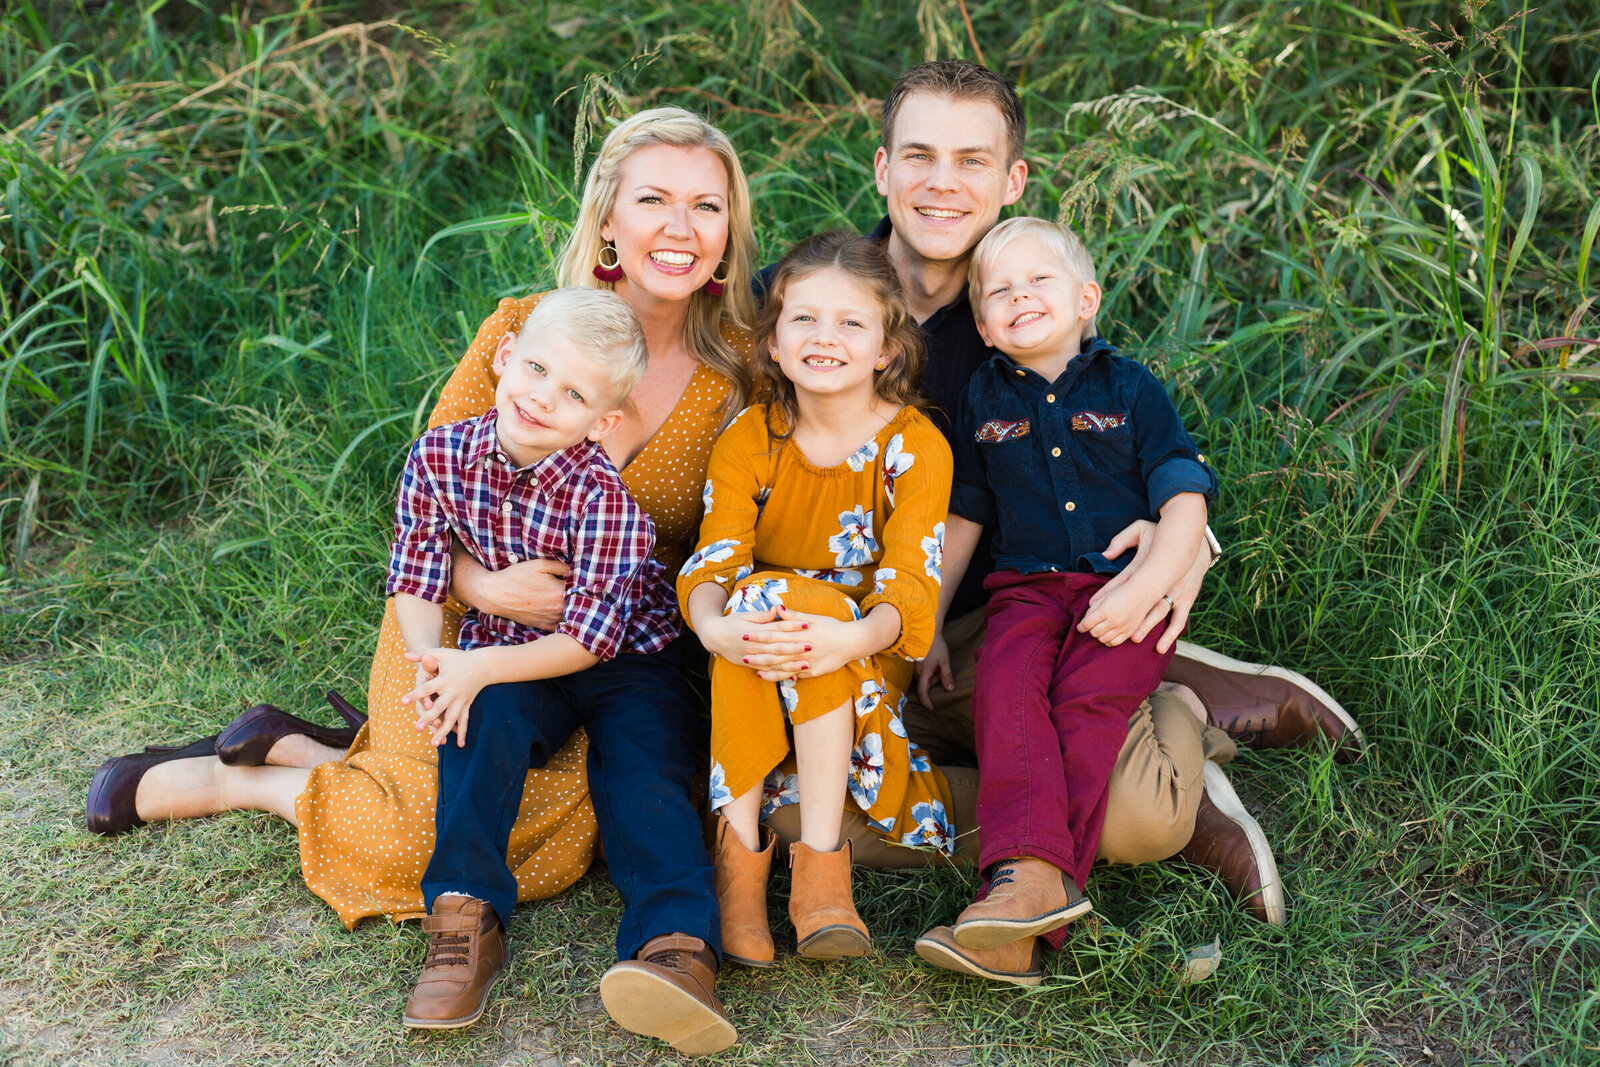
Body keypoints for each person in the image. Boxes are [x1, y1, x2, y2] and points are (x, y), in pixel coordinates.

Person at [86, 106, 761, 1056]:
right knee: (421, 826)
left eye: (707, 205)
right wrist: (487, 597)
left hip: (603, 643)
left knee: (588, 821)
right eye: (653, 199)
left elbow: (717, 545)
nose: (680, 229)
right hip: (455, 626)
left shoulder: (734, 382)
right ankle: (246, 786)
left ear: (731, 229)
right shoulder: (520, 333)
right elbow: (426, 514)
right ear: (608, 217)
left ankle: (669, 946)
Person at [760, 59, 1364, 985]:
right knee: (790, 802)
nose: (941, 181)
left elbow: (1140, 457)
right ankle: (1145, 729)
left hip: (985, 615)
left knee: (1140, 818)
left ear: (1013, 182)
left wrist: (1177, 550)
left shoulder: (1018, 317)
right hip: (836, 612)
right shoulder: (807, 294)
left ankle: (1161, 746)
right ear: (882, 169)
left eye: (972, 159)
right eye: (918, 155)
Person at [383, 287, 690, 1035]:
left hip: (627, 654)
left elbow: (589, 640)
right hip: (515, 642)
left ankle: (675, 941)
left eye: (574, 392)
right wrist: (435, 664)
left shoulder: (605, 498)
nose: (543, 397)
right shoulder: (439, 457)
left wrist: (476, 665)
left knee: (646, 763)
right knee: (475, 716)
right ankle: (464, 917)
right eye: (537, 368)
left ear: (603, 420)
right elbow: (416, 572)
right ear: (504, 358)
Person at [918, 215, 1215, 971]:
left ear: (1086, 298)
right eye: (1000, 291)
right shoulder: (983, 402)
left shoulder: (1130, 387)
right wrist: (924, 624)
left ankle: (1022, 901)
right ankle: (1025, 901)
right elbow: (967, 514)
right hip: (1023, 591)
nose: (1020, 297)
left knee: (1083, 712)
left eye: (1039, 281)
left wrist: (1149, 582)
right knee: (1006, 696)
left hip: (1122, 589)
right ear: (981, 324)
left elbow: (1183, 491)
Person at [680, 232, 954, 968]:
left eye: (850, 323)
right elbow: (714, 560)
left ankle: (807, 873)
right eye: (803, 319)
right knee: (754, 602)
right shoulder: (749, 438)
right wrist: (714, 630)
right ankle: (759, 882)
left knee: (777, 599)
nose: (824, 338)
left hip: (864, 649)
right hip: (755, 653)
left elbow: (908, 589)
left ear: (887, 349)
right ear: (771, 342)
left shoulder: (916, 446)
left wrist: (843, 637)